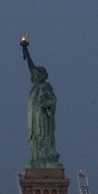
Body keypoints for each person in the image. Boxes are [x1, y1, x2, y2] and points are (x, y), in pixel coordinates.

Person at [20, 36, 61, 168]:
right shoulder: (35, 87)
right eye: (35, 74)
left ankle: (45, 158)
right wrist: (25, 50)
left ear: (42, 75)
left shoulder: (46, 86)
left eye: (38, 74)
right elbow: (31, 66)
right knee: (35, 138)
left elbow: (52, 100)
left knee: (43, 136)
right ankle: (36, 158)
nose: (35, 75)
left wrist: (45, 104)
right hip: (34, 117)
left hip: (43, 117)